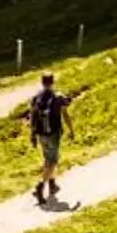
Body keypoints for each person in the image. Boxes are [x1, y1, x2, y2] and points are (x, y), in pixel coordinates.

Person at [26, 72, 76, 203]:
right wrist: (71, 130)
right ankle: (40, 186)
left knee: (48, 159)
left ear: (42, 82)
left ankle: (52, 184)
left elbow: (32, 117)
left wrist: (32, 135)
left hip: (41, 134)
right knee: (53, 162)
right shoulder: (58, 97)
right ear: (53, 82)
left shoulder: (36, 97)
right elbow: (65, 115)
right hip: (53, 134)